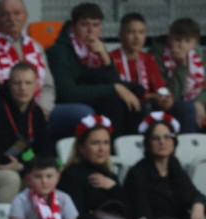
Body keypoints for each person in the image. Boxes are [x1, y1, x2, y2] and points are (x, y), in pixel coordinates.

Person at [0, 0, 93, 140]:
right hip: (6, 114)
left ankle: (62, 156)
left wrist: (42, 109)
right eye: (5, 15)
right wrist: (19, 112)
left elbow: (48, 86)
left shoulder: (36, 47)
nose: (11, 19)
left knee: (84, 114)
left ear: (25, 17)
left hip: (39, 110)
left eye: (17, 14)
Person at [59, 114, 170, 219]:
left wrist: (115, 188)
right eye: (95, 143)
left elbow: (131, 213)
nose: (102, 149)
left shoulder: (110, 175)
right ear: (81, 148)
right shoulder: (71, 175)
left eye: (106, 143)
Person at [45, 2, 142, 136]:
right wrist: (113, 88)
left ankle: (130, 151)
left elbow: (115, 81)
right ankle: (111, 151)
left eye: (95, 25)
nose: (90, 31)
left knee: (134, 104)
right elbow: (68, 93)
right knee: (113, 105)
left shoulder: (98, 49)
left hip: (94, 96)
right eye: (84, 25)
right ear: (73, 27)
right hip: (69, 100)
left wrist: (106, 60)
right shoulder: (59, 52)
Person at [0, 62, 53, 204]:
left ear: (36, 87)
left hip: (15, 168)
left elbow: (46, 151)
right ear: (9, 85)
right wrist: (24, 166)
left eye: (28, 83)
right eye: (17, 83)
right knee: (10, 178)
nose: (22, 88)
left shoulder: (36, 113)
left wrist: (24, 166)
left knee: (45, 178)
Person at [123, 113, 206, 219]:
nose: (162, 142)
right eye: (156, 138)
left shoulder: (174, 167)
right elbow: (144, 218)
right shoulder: (138, 173)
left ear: (174, 141)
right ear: (148, 143)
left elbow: (195, 194)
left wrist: (198, 206)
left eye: (168, 136)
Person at [110, 13, 173, 117]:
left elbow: (159, 86)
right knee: (143, 107)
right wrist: (147, 97)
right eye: (131, 32)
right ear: (120, 35)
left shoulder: (148, 59)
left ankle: (171, 134)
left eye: (141, 32)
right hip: (123, 104)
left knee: (183, 107)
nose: (136, 37)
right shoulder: (111, 58)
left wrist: (165, 97)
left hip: (149, 103)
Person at [149, 18, 206, 132]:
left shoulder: (197, 56)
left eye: (187, 41)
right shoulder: (157, 55)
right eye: (177, 39)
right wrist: (182, 66)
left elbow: (204, 87)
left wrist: (199, 103)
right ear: (169, 38)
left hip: (193, 101)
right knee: (187, 108)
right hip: (164, 103)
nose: (182, 45)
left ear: (195, 43)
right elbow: (170, 94)